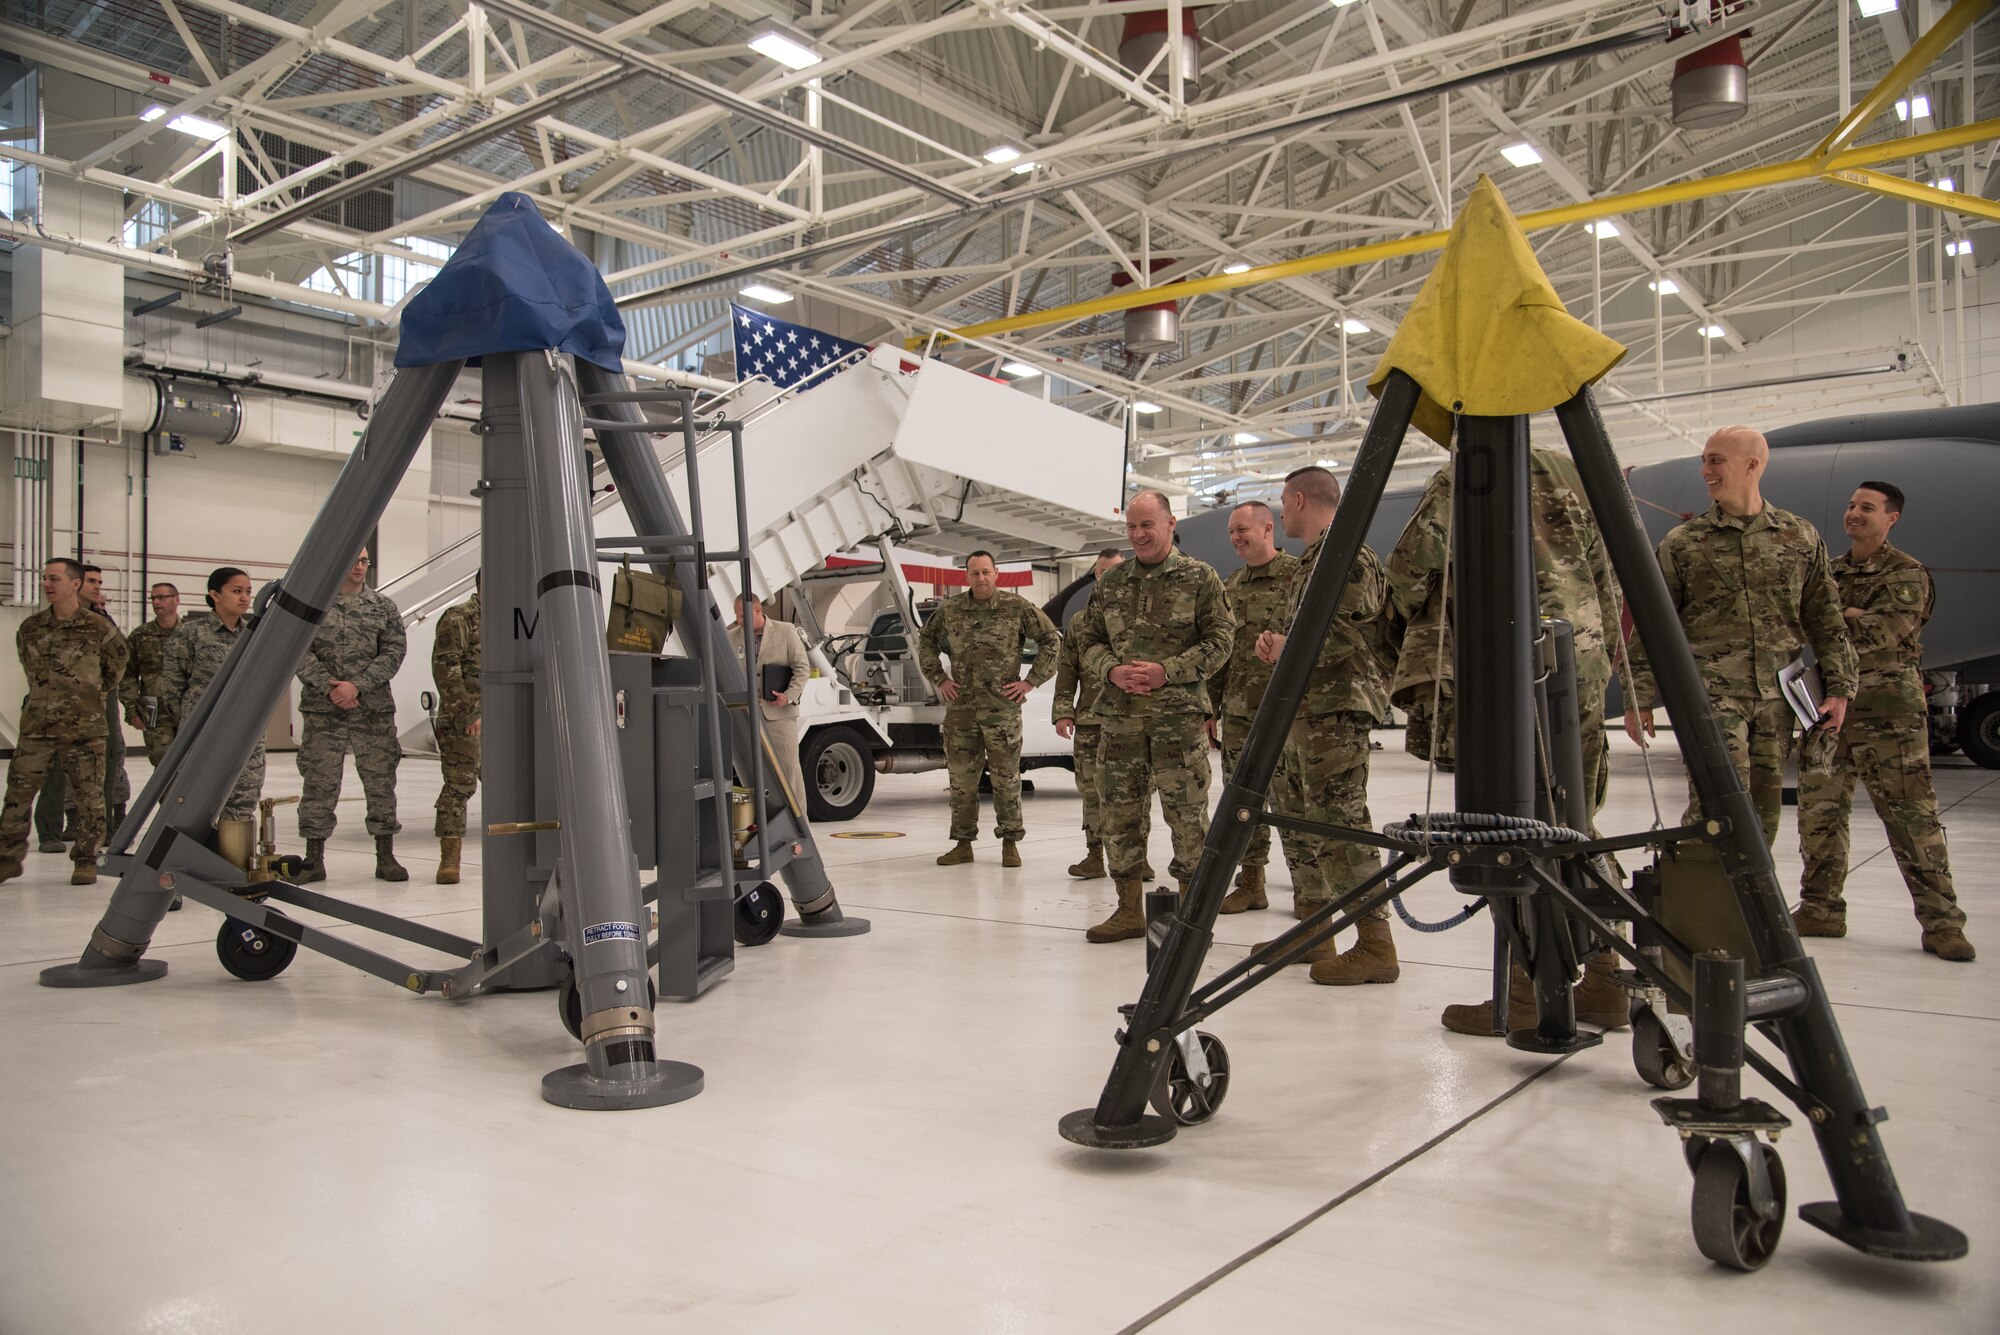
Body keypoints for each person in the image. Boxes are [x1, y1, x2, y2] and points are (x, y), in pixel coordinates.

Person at [1384, 442, 1630, 1032]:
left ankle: (1526, 988)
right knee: (1575, 822)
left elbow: (1411, 567)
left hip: (1502, 661)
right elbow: (1608, 575)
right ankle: (1605, 978)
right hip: (1579, 657)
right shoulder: (1578, 472)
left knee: (1507, 826)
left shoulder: (1470, 467)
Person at [1625, 425, 1858, 848]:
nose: (1705, 471)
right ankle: (1702, 902)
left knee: (1763, 812)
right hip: (1711, 695)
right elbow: (1654, 625)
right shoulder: (1684, 542)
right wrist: (1638, 696)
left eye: (1716, 460)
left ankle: (1750, 906)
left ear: (1751, 465)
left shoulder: (1799, 536)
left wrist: (1840, 689)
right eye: (1704, 460)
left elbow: (1824, 616)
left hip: (1777, 697)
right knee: (1715, 802)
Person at [1795, 482, 1973, 961]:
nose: (1854, 514)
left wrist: (1837, 620)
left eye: (1867, 508)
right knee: (1819, 816)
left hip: (1888, 715)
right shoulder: (1827, 572)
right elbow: (1804, 622)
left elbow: (1886, 631)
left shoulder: (1906, 572)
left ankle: (1942, 924)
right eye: (1852, 506)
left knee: (1911, 818)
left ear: (1891, 517)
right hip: (1830, 710)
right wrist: (1846, 615)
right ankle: (1821, 909)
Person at [1250, 467, 1394, 982]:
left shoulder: (1348, 552)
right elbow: (1311, 633)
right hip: (1307, 706)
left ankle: (1376, 944)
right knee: (1299, 820)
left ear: (1299, 498)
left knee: (1340, 823)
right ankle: (1315, 929)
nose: (1281, 512)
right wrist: (1279, 647)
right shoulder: (1313, 560)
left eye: (1282, 504)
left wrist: (1296, 649)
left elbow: (1358, 631)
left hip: (1336, 708)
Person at [1070, 490, 1233, 942]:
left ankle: (1191, 918)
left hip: (1177, 722)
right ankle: (1127, 911)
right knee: (1118, 815)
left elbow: (1222, 641)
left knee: (1187, 817)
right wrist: (1112, 670)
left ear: (1170, 522)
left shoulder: (1200, 577)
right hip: (1119, 720)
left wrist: (1168, 672)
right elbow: (1091, 640)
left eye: (1147, 525)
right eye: (1131, 527)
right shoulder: (1111, 582)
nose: (1139, 534)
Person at [918, 550, 1061, 868]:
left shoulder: (1016, 607)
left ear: (996, 574)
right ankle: (963, 843)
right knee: (961, 780)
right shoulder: (951, 609)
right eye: (974, 573)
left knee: (1007, 778)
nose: (981, 578)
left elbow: (1051, 640)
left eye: (986, 572)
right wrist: (939, 678)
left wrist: (1030, 681)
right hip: (961, 710)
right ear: (966, 577)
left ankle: (1010, 843)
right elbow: (926, 639)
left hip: (1002, 711)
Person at [0, 558, 127, 887]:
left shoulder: (98, 628)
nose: (46, 584)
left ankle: (85, 859)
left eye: (53, 578)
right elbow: (31, 669)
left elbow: (116, 665)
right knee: (18, 792)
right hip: (37, 727)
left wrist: (88, 696)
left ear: (74, 583)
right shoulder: (31, 628)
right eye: (44, 578)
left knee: (89, 796)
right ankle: (9, 857)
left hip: (85, 728)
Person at [1206, 502, 1302, 914]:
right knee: (1242, 802)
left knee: (1291, 801)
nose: (1235, 539)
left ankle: (1307, 892)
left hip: (1287, 714)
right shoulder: (1230, 587)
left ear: (1268, 529)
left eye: (1242, 530)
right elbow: (1221, 654)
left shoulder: (1299, 576)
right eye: (1231, 532)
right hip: (1240, 714)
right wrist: (1211, 708)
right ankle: (1251, 884)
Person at [295, 550, 408, 883]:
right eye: (353, 560)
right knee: (319, 782)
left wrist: (356, 686)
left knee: (380, 782)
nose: (359, 567)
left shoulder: (383, 607)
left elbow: (394, 651)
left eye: (364, 561)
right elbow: (298, 651)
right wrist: (330, 687)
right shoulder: (314, 606)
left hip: (371, 710)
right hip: (323, 709)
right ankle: (313, 858)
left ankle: (385, 857)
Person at [158, 568, 263, 851]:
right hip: (202, 733)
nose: (244, 598)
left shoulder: (256, 636)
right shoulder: (191, 634)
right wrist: (193, 720)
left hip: (245, 732)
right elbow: (172, 687)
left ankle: (232, 866)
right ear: (215, 595)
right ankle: (178, 862)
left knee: (242, 799)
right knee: (190, 798)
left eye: (248, 591)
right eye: (236, 591)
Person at [36, 563, 131, 848]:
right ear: (76, 584)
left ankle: (101, 827)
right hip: (64, 703)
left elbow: (120, 660)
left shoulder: (103, 621)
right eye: (92, 581)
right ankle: (50, 833)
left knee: (109, 761)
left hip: (103, 702)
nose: (98, 586)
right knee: (56, 765)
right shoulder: (59, 618)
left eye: (100, 582)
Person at [1051, 550, 1130, 879]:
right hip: (1090, 720)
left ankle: (1132, 857)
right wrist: (1062, 712)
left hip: (1129, 721)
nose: (1107, 577)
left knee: (1131, 793)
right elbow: (1067, 670)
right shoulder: (1080, 622)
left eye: (1115, 571)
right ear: (1096, 577)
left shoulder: (1138, 616)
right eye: (1102, 573)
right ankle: (1095, 856)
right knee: (1091, 791)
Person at [736, 594, 811, 820]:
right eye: (736, 615)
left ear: (758, 610)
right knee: (752, 774)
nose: (738, 620)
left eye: (742, 615)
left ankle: (800, 827)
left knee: (789, 773)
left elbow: (802, 669)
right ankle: (765, 824)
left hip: (780, 716)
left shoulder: (786, 631)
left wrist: (788, 696)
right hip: (747, 716)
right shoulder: (731, 638)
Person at [431, 585, 481, 885]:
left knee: (511, 789)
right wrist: (468, 714)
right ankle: (450, 857)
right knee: (459, 787)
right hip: (465, 721)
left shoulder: (510, 618)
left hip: (503, 719)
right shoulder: (460, 617)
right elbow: (445, 668)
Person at [121, 583, 185, 765]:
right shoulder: (140, 636)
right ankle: (166, 795)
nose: (156, 602)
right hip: (155, 711)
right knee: (162, 760)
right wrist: (131, 710)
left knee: (191, 761)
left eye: (162, 597)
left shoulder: (191, 633)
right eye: (153, 598)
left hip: (188, 708)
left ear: (176, 600)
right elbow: (127, 676)